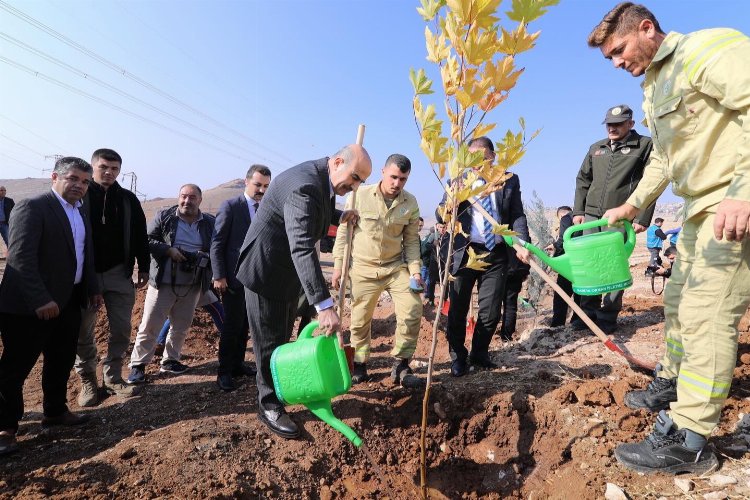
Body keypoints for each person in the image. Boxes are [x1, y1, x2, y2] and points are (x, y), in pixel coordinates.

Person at [590, 2, 750, 474]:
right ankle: (674, 382)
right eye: (610, 58)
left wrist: (744, 190)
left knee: (708, 313)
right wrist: (633, 204)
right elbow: (662, 158)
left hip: (732, 205)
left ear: (646, 28)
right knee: (680, 302)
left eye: (619, 50)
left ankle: (690, 437)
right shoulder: (653, 85)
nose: (617, 62)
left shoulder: (706, 50)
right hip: (702, 210)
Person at [235, 144, 371, 439]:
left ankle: (285, 390)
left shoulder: (319, 179)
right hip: (266, 273)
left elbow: (311, 211)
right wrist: (324, 306)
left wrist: (338, 217)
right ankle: (269, 404)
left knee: (282, 340)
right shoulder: (305, 186)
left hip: (285, 276)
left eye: (361, 181)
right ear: (337, 162)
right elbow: (300, 245)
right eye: (356, 177)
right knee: (269, 345)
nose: (356, 185)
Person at [0, 157, 102, 456]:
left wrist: (92, 289)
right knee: (15, 367)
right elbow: (20, 259)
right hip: (28, 307)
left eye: (85, 181)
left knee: (61, 359)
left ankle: (55, 412)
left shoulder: (81, 211)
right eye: (73, 178)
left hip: (69, 300)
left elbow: (85, 252)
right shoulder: (33, 207)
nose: (79, 186)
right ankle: (5, 426)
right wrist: (40, 299)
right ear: (55, 176)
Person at [436, 136, 530, 377]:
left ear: (493, 157)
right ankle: (458, 356)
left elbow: (517, 214)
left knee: (490, 312)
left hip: (495, 253)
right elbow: (441, 217)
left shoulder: (508, 181)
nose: (477, 165)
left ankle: (479, 352)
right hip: (464, 252)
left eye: (483, 159)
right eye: (472, 160)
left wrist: (521, 243)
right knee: (457, 310)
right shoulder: (457, 182)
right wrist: (451, 200)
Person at [331, 153, 423, 388]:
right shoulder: (358, 196)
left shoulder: (410, 203)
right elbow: (343, 234)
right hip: (363, 268)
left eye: (403, 179)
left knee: (412, 308)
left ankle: (401, 364)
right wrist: (339, 266)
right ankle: (360, 364)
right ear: (383, 172)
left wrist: (415, 272)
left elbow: (412, 241)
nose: (396, 184)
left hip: (394, 268)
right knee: (360, 320)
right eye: (393, 177)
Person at [74, 149, 150, 407]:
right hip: (86, 275)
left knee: (121, 328)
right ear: (93, 166)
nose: (109, 172)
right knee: (83, 330)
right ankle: (87, 381)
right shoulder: (80, 197)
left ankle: (114, 377)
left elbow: (140, 234)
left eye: (114, 168)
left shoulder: (128, 199)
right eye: (104, 167)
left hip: (120, 273)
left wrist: (144, 266)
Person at [571, 104, 655, 334]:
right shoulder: (596, 148)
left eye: (618, 124)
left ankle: (607, 318)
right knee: (589, 265)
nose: (612, 128)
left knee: (613, 266)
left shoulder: (645, 146)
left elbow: (651, 185)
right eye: (609, 124)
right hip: (590, 217)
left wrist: (643, 217)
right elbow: (583, 180)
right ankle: (585, 316)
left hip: (619, 219)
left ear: (631, 123)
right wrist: (578, 211)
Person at [127, 184, 216, 384]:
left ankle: (171, 360)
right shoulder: (165, 217)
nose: (187, 201)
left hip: (193, 283)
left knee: (181, 326)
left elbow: (217, 246)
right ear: (178, 197)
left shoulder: (210, 222)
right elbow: (146, 240)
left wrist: (205, 258)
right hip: (163, 283)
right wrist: (169, 251)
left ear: (200, 200)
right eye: (183, 196)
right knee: (150, 324)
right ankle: (138, 365)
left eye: (192, 197)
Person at [211, 164, 271, 392]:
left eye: (266, 186)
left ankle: (237, 365)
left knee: (246, 325)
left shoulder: (265, 208)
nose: (261, 190)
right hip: (233, 280)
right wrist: (219, 275)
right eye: (257, 185)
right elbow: (217, 243)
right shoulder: (231, 207)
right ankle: (224, 372)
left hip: (256, 280)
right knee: (231, 327)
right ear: (246, 182)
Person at [545, 206, 581, 327]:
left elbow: (563, 241)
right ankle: (577, 321)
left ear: (560, 215)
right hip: (584, 262)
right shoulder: (584, 217)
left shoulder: (566, 219)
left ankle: (557, 324)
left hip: (569, 264)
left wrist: (555, 252)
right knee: (580, 294)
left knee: (561, 296)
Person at [499, 249, 530, 341]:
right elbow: (527, 253)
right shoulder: (522, 235)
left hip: (500, 270)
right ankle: (506, 336)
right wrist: (524, 271)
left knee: (495, 303)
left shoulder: (499, 236)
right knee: (510, 305)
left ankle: (493, 333)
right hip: (516, 271)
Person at [420, 222, 441, 308]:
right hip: (427, 262)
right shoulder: (430, 237)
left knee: (428, 280)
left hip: (429, 261)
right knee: (426, 280)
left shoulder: (426, 237)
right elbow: (425, 249)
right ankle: (425, 296)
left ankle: (427, 295)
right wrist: (433, 247)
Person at [0, 186, 14, 258]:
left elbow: (15, 211)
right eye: (1, 190)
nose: (3, 191)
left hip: (5, 224)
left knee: (9, 240)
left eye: (4, 190)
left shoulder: (9, 201)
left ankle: (12, 257)